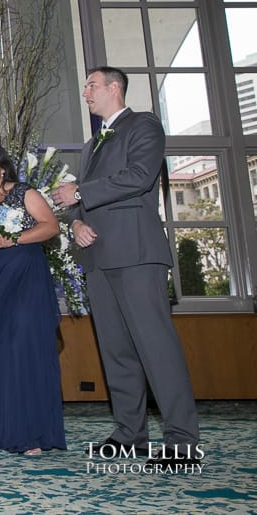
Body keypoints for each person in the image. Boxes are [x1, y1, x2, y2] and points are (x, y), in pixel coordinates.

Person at [51, 66, 200, 468]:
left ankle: (182, 440)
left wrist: (80, 191)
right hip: (98, 259)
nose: (85, 92)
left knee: (156, 347)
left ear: (114, 89)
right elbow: (78, 206)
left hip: (136, 253)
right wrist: (77, 221)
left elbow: (138, 177)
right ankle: (130, 434)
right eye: (84, 86)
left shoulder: (144, 126)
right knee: (116, 351)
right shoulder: (89, 147)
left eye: (91, 85)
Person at [0, 142, 66, 455]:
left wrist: (14, 239)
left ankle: (35, 435)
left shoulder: (24, 192)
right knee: (6, 353)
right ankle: (9, 432)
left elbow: (52, 226)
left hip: (28, 277)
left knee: (28, 350)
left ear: (2, 168)